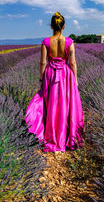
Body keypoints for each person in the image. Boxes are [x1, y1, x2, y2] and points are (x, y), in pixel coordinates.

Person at [24, 12, 84, 152]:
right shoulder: (69, 42)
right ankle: (66, 136)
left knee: (50, 103)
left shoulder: (46, 42)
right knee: (65, 103)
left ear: (51, 26)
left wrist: (41, 79)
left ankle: (51, 135)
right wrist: (75, 80)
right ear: (63, 26)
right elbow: (73, 63)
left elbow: (43, 62)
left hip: (50, 74)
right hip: (65, 74)